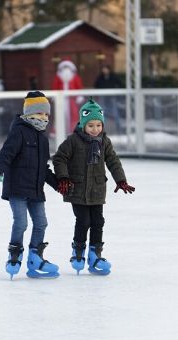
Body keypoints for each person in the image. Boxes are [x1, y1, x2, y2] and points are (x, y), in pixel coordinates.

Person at [52, 99, 135, 276]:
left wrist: (120, 180)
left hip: (97, 189)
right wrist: (64, 177)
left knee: (98, 221)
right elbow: (59, 158)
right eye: (91, 125)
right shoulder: (73, 141)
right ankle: (78, 251)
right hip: (78, 189)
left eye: (98, 125)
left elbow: (113, 160)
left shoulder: (104, 141)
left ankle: (95, 254)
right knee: (83, 221)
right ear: (83, 125)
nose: (95, 129)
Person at [0, 91, 60, 279]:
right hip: (18, 188)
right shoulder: (19, 131)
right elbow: (6, 153)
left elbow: (44, 169)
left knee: (41, 223)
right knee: (21, 223)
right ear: (29, 114)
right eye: (40, 114)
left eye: (46, 115)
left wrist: (58, 185)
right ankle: (15, 254)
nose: (44, 118)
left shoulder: (43, 139)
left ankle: (35, 257)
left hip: (36, 190)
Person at [51, 59, 84, 133]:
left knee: (74, 114)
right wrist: (54, 96)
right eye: (64, 67)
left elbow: (79, 87)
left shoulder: (75, 77)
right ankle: (58, 131)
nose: (66, 69)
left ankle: (74, 130)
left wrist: (79, 96)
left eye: (68, 67)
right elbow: (54, 87)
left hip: (72, 99)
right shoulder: (58, 77)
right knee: (60, 114)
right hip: (61, 99)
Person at [94, 65, 123, 134]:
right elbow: (96, 85)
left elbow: (120, 84)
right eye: (103, 69)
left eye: (105, 69)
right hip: (103, 98)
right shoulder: (100, 77)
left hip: (112, 98)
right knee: (102, 113)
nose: (104, 71)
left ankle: (119, 127)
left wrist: (116, 92)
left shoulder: (113, 76)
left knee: (115, 113)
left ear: (109, 70)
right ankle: (101, 129)